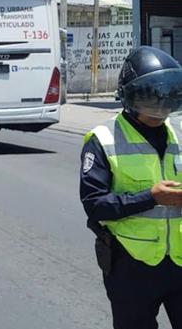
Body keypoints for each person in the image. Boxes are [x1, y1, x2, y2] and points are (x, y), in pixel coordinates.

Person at [80, 46, 182, 328]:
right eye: (152, 97)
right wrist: (151, 197)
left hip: (180, 259)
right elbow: (95, 205)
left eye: (167, 97)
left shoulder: (179, 134)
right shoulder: (103, 139)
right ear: (132, 97)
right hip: (131, 265)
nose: (160, 107)